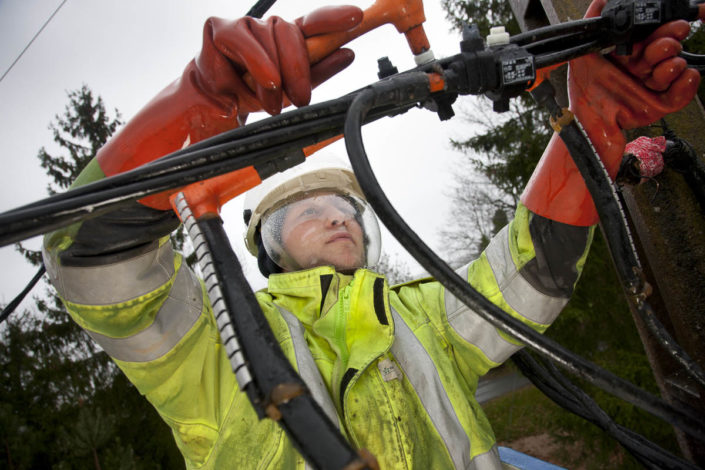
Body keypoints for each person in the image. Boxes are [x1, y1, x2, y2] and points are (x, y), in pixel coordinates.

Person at [41, 0, 702, 468]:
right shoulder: (215, 340)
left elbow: (526, 277)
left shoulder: (420, 312)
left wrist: (585, 133)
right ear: (268, 248)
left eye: (345, 210)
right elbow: (98, 269)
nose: (335, 217)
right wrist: (192, 110)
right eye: (305, 214)